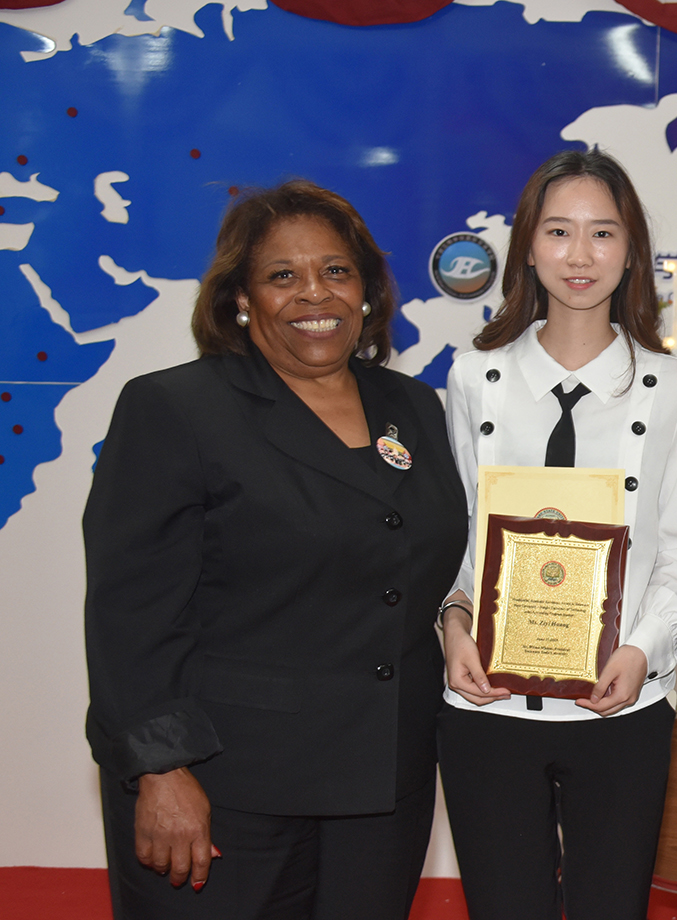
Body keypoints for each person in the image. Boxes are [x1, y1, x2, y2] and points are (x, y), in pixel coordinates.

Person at [83, 180, 468, 919]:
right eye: (282, 276)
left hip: (383, 784)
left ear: (365, 290)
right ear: (240, 298)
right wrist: (161, 771)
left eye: (335, 270)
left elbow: (423, 568)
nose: (312, 293)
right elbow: (131, 612)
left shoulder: (412, 407)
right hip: (226, 788)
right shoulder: (174, 408)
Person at [436, 148, 677, 920]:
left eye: (603, 233)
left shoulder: (675, 388)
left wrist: (640, 651)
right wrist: (453, 625)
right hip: (487, 708)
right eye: (559, 232)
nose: (580, 255)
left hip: (619, 706)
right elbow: (452, 538)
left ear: (631, 253)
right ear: (528, 244)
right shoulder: (473, 376)